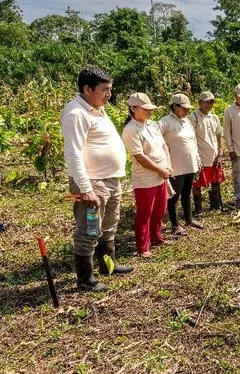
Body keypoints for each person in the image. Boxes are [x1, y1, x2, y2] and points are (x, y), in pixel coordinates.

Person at [60, 67, 133, 292]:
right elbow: (73, 153)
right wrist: (85, 188)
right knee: (90, 228)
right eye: (105, 90)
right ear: (87, 89)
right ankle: (85, 278)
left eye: (110, 89)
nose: (109, 94)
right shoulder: (76, 113)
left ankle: (107, 264)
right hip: (92, 182)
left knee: (110, 223)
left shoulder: (97, 109)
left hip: (110, 179)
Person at [121, 93, 171, 258]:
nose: (150, 112)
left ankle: (156, 237)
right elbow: (140, 157)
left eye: (150, 109)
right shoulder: (131, 130)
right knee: (145, 212)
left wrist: (168, 165)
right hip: (145, 178)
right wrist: (160, 169)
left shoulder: (152, 125)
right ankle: (143, 247)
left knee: (160, 209)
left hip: (161, 174)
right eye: (146, 109)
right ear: (133, 109)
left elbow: (164, 145)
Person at [157, 93, 203, 235]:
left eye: (188, 109)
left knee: (186, 192)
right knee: (174, 196)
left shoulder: (187, 121)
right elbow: (155, 139)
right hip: (175, 165)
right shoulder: (165, 122)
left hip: (189, 164)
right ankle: (175, 224)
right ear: (175, 107)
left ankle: (188, 219)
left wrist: (197, 159)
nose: (186, 111)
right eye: (183, 109)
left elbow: (193, 141)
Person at [189, 91, 225, 214]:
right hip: (200, 156)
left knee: (216, 181)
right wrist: (195, 156)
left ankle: (216, 206)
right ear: (200, 102)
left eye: (211, 102)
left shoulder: (214, 118)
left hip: (213, 156)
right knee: (197, 184)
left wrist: (220, 152)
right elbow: (190, 139)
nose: (209, 105)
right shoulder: (193, 118)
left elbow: (219, 136)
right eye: (206, 102)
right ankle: (198, 209)